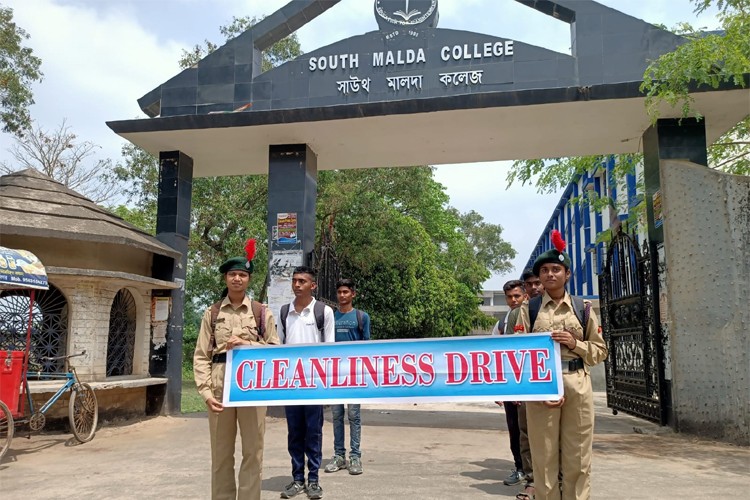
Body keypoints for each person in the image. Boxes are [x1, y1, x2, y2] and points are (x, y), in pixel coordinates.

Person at [514, 230, 608, 500]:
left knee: (577, 456)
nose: (550, 274)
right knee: (543, 458)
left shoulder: (584, 308)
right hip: (541, 388)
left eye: (556, 269)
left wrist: (575, 344)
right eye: (544, 270)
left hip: (577, 384)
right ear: (539, 277)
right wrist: (539, 387)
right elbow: (518, 353)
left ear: (567, 274)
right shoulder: (528, 310)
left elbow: (600, 351)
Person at [193, 241, 281, 500]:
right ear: (226, 278)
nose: (237, 278)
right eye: (232, 274)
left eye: (242, 274)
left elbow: (275, 351)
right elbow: (201, 356)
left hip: (252, 388)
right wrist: (206, 393)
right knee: (221, 454)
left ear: (248, 279)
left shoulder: (261, 312)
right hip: (220, 386)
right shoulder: (212, 312)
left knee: (253, 452)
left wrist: (248, 344)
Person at [280, 266, 335, 500]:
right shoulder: (284, 312)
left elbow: (330, 350)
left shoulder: (324, 312)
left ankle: (313, 479)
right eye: (294, 280)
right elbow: (278, 349)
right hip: (291, 385)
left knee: (313, 432)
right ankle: (297, 479)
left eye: (302, 281)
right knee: (294, 433)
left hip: (314, 385)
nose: (297, 284)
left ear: (313, 285)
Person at [324, 278, 371, 476]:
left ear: (353, 294)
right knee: (336, 416)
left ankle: (355, 456)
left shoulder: (362, 317)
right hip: (335, 375)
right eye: (340, 292)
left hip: (354, 375)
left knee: (354, 416)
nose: (342, 295)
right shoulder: (330, 317)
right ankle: (338, 456)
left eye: (346, 292)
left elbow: (367, 347)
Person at [508, 268, 544, 500]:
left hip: (561, 382)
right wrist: (514, 387)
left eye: (537, 283)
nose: (534, 287)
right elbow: (511, 352)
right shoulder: (518, 314)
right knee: (527, 432)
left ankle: (557, 480)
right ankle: (532, 480)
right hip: (527, 382)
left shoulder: (576, 308)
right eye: (529, 284)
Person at [492, 280, 528, 487]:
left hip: (533, 385)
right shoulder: (501, 324)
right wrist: (498, 388)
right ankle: (520, 468)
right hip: (510, 384)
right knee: (514, 428)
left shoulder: (534, 315)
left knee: (533, 430)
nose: (513, 300)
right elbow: (494, 354)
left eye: (517, 296)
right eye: (509, 297)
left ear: (525, 296)